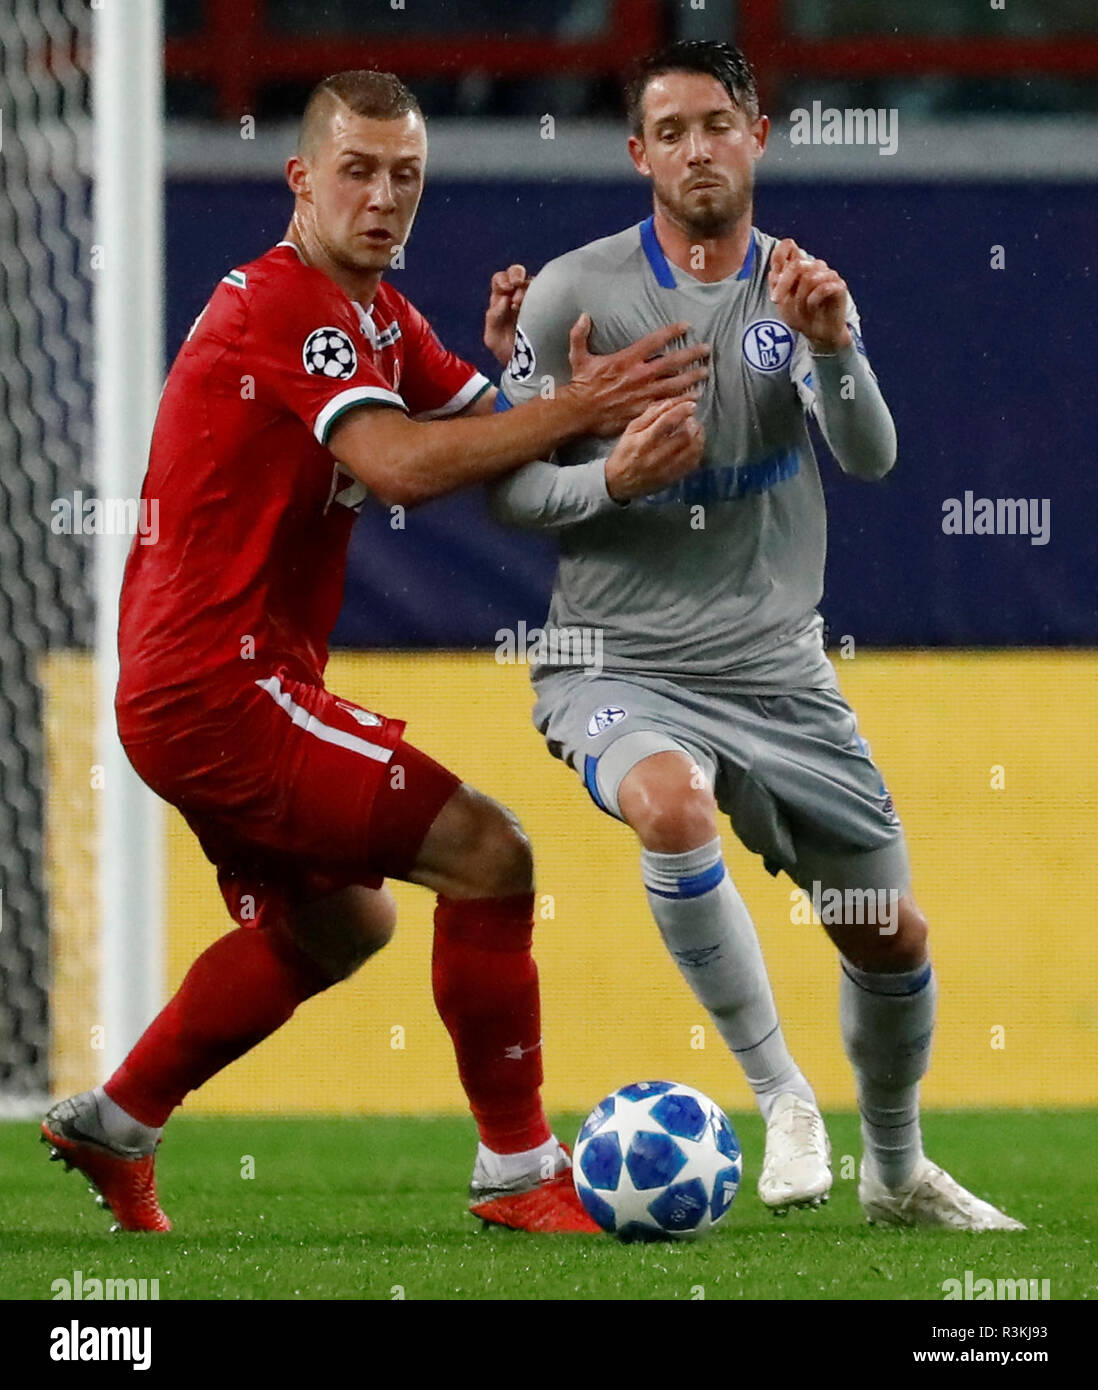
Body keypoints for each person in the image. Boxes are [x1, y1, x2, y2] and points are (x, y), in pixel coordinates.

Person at [41, 68, 709, 1236]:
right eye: (358, 170)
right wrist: (572, 411)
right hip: (220, 684)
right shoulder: (286, 302)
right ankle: (516, 1168)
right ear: (301, 179)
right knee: (490, 852)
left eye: (406, 175)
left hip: (210, 685)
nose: (384, 196)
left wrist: (548, 392)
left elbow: (482, 439)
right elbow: (401, 467)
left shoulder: (379, 322)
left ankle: (119, 1118)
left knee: (345, 921)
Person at [487, 40, 1023, 1230]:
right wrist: (610, 479)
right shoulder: (575, 293)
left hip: (780, 672)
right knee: (670, 808)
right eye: (669, 130)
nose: (695, 149)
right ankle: (782, 1098)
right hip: (615, 661)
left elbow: (873, 458)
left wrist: (834, 346)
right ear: (638, 154)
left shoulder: (803, 289)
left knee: (889, 935)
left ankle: (894, 1173)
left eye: (716, 124)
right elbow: (511, 490)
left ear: (758, 135)